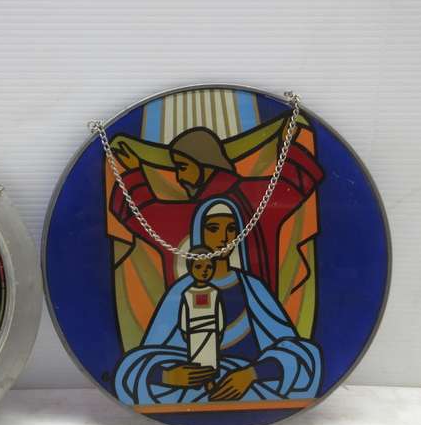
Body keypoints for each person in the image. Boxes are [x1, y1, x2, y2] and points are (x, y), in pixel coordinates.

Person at [114, 198, 321, 405]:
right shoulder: (180, 291)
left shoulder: (252, 288)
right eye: (213, 229)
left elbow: (296, 352)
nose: (224, 238)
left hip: (248, 386)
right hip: (191, 389)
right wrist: (169, 376)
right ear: (199, 234)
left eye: (231, 229)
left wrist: (251, 374)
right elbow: (143, 359)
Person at [109, 119, 324, 292]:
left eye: (183, 167)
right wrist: (288, 144)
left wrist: (135, 174)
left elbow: (143, 214)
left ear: (204, 163)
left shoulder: (251, 199)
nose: (179, 177)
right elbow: (294, 183)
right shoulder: (255, 196)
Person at [178, 246, 222, 372]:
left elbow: (218, 313)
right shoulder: (187, 293)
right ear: (190, 268)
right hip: (194, 332)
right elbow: (184, 313)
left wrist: (219, 329)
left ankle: (211, 377)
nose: (204, 271)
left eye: (209, 267)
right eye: (198, 267)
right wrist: (185, 330)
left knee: (210, 361)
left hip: (211, 331)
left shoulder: (214, 292)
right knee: (196, 360)